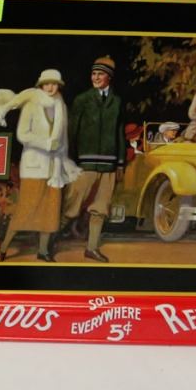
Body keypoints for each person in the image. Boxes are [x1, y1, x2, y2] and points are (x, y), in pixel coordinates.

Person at [0, 69, 81, 262]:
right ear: (41, 85)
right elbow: (22, 135)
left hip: (54, 167)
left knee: (50, 210)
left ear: (59, 86)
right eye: (46, 84)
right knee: (25, 209)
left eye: (54, 84)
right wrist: (46, 143)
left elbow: (63, 139)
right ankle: (4, 246)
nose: (50, 87)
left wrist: (62, 160)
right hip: (34, 165)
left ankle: (43, 250)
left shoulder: (61, 106)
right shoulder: (32, 104)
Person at [60, 56, 126, 263]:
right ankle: (46, 244)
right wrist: (70, 161)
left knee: (100, 208)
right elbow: (72, 131)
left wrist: (120, 162)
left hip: (109, 165)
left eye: (100, 74)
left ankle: (92, 248)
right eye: (93, 74)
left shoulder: (117, 102)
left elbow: (120, 133)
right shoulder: (82, 99)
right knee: (72, 205)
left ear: (109, 77)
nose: (96, 77)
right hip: (84, 164)